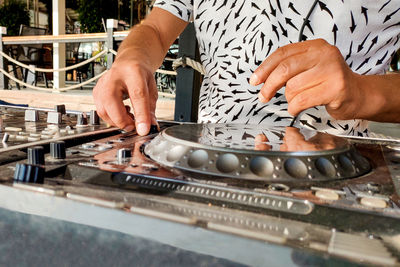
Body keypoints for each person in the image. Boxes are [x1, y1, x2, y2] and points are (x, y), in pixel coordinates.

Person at [93, 1, 400, 136]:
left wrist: (361, 92)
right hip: (206, 172)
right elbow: (157, 30)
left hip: (334, 182)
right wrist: (131, 58)